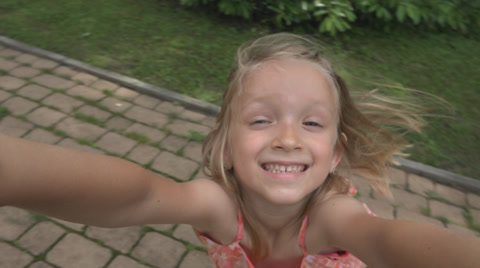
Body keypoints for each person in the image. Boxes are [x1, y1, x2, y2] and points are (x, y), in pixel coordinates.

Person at [0, 33, 479, 268]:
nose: (287, 138)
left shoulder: (336, 219)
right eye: (261, 119)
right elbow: (140, 194)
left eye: (311, 123)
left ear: (335, 155)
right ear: (227, 147)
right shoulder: (219, 206)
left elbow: (392, 243)